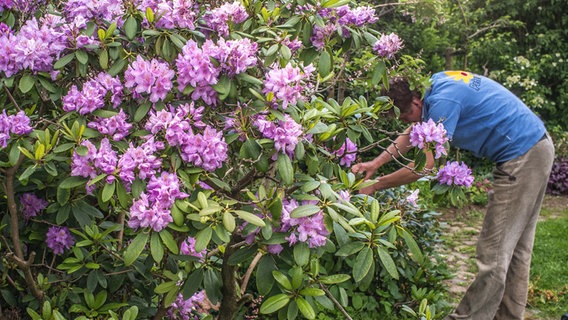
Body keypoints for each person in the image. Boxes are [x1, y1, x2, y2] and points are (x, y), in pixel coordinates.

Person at [352, 70, 555, 320]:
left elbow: (425, 166)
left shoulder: (442, 102)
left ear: (416, 103)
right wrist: (376, 163)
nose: (407, 123)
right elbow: (416, 129)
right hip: (535, 147)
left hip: (522, 156)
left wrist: (375, 185)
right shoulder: (434, 85)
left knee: (494, 253)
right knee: (516, 250)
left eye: (406, 116)